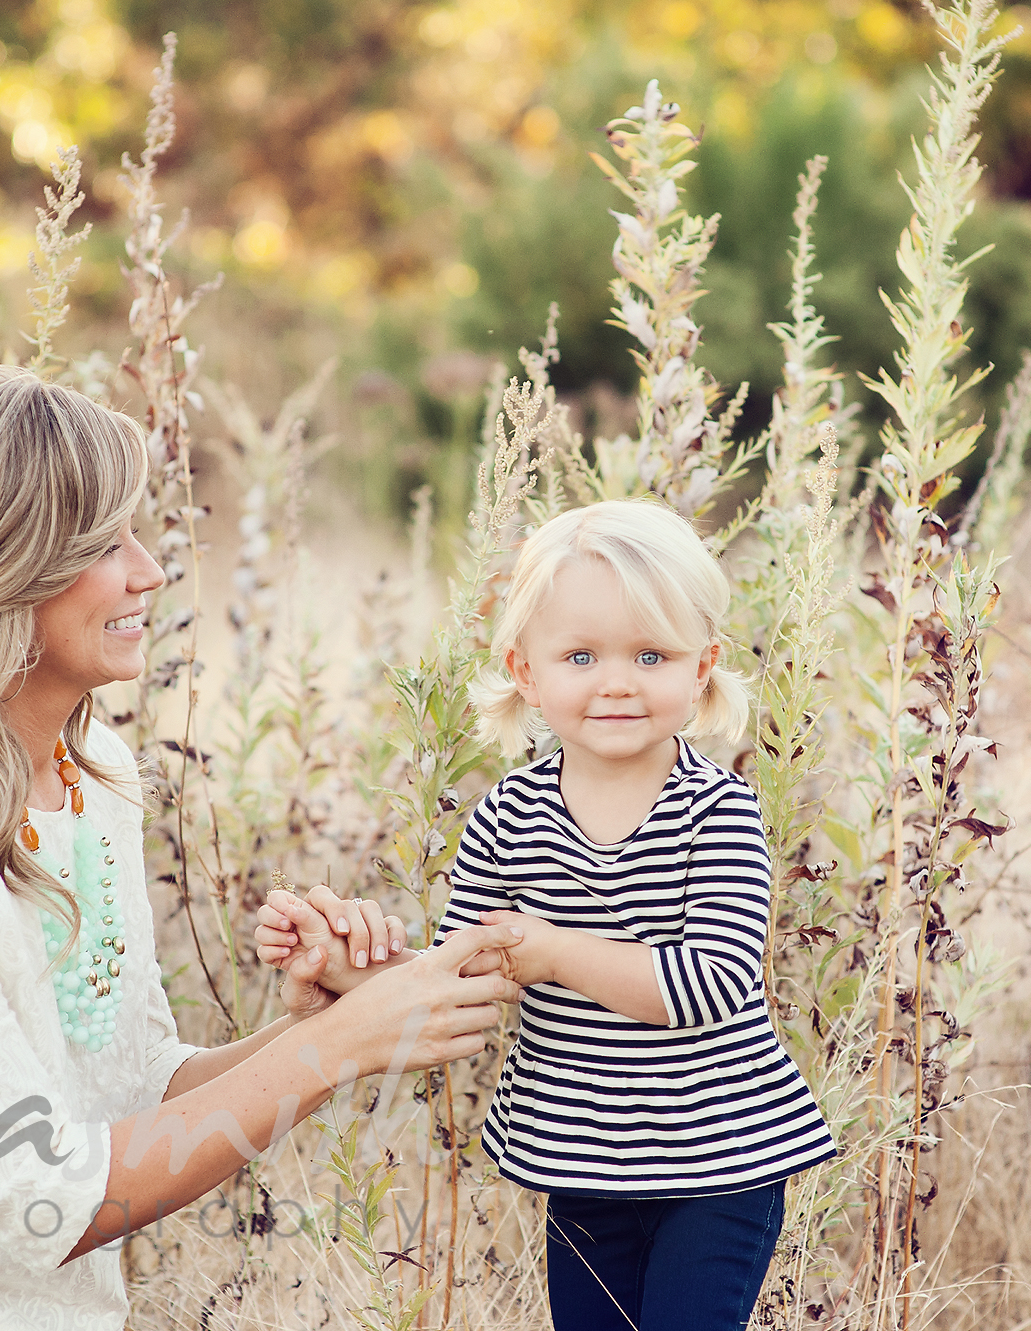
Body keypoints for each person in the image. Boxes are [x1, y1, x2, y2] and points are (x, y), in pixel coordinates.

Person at [0, 366, 521, 1331]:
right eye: (104, 544)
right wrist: (331, 1049)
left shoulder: (92, 770)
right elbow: (43, 1198)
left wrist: (324, 1023)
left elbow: (134, 1084)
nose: (150, 571)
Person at [257, 498, 835, 1331]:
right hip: (583, 1162)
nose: (617, 681)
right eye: (580, 654)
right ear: (524, 670)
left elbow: (708, 985)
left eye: (651, 653)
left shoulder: (718, 812)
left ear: (702, 664)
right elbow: (460, 971)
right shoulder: (509, 814)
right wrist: (343, 965)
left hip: (720, 1167)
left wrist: (554, 949)